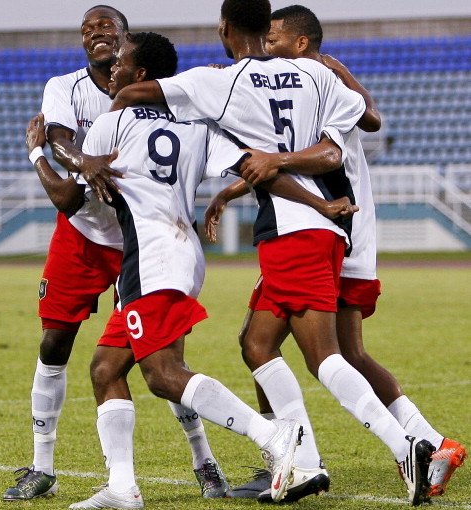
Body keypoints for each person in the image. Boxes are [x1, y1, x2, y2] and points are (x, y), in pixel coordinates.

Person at [107, 0, 439, 506]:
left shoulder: (222, 82)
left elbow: (135, 90)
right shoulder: (314, 73)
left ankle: (406, 445)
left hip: (294, 228)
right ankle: (302, 462)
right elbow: (358, 127)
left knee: (325, 355)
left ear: (224, 27)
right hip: (318, 226)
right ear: (268, 27)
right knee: (256, 342)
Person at [25, 32, 307, 509]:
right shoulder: (196, 123)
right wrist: (320, 201)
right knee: (106, 368)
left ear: (140, 77)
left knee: (162, 374)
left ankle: (274, 436)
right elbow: (253, 166)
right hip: (180, 250)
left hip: (149, 257)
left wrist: (37, 151)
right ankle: (122, 487)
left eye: (122, 64)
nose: (112, 69)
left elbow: (70, 198)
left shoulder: (112, 122)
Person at [206, 5, 466, 502]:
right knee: (301, 345)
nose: (268, 45)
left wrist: (331, 67)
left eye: (277, 38)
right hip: (337, 224)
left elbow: (361, 123)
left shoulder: (312, 75)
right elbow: (298, 149)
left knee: (301, 348)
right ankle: (429, 443)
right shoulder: (295, 78)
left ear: (302, 44)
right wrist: (230, 191)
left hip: (331, 225)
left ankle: (308, 456)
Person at [3, 6, 230, 502]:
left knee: (163, 354)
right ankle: (43, 466)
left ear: (126, 41)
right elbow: (60, 140)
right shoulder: (65, 87)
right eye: (86, 30)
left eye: (104, 27)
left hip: (140, 239)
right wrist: (84, 161)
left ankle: (204, 462)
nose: (94, 35)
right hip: (82, 235)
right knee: (54, 344)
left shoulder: (157, 91)